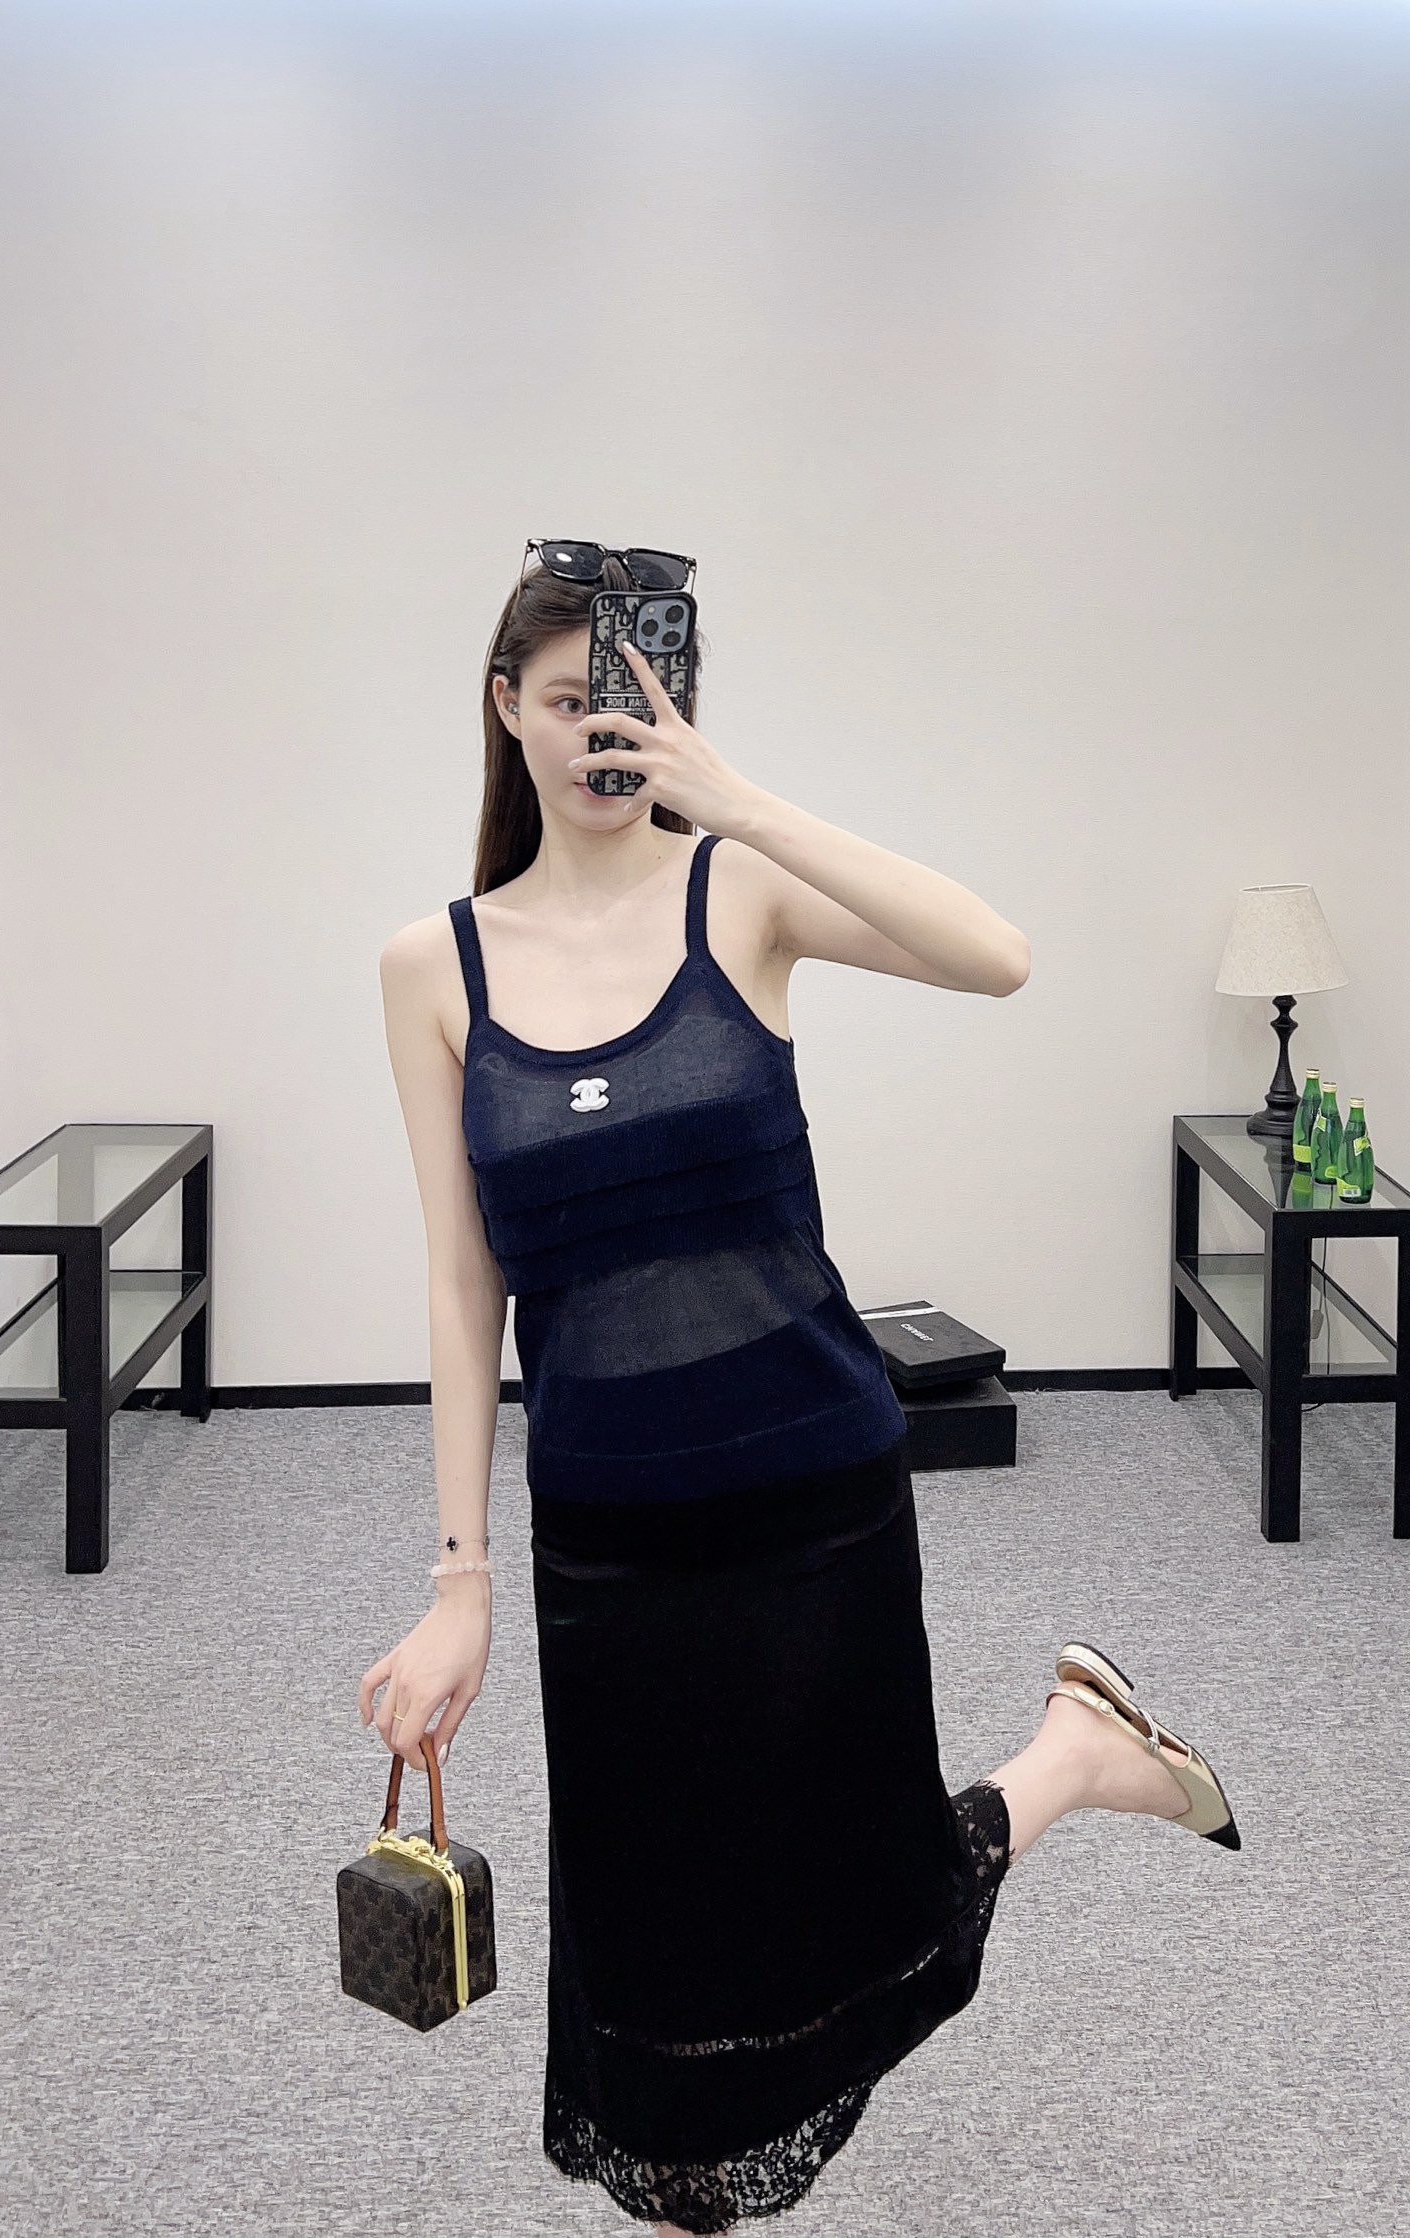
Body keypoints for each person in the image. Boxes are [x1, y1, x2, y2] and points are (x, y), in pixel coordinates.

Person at [358, 545, 1240, 2236]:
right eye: (572, 702)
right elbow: (466, 1286)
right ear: (506, 709)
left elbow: (997, 954)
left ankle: (1066, 1761)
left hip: (812, 1503)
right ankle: (1076, 1748)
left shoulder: (739, 894)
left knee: (855, 1907)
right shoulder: (434, 968)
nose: (605, 737)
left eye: (636, 704)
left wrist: (740, 799)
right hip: (610, 1543)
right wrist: (459, 1579)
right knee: (664, 2006)